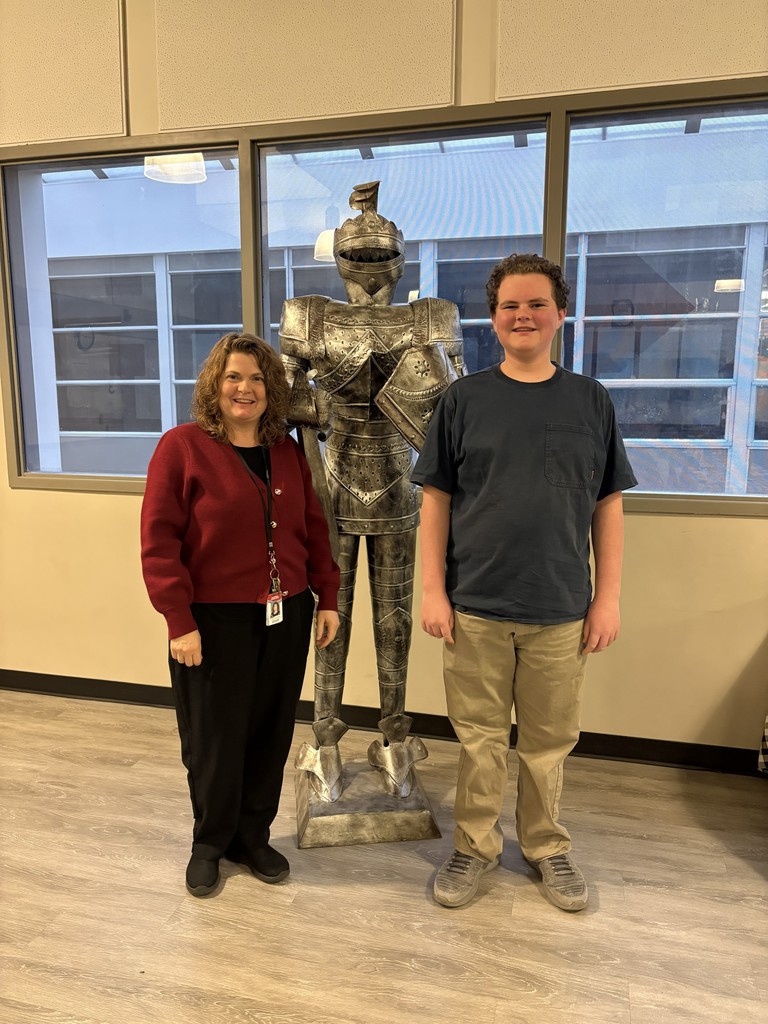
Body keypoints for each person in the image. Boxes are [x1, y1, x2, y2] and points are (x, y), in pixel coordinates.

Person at [412, 254, 637, 911]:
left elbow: (608, 505)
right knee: (480, 741)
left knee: (547, 744)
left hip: (560, 608)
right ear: (493, 319)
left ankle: (545, 847)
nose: (523, 316)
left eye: (537, 304)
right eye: (510, 305)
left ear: (560, 313)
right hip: (475, 606)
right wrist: (432, 590)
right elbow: (435, 501)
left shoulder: (590, 400)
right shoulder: (463, 400)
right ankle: (475, 847)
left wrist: (608, 598)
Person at [280, 181, 463, 801]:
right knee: (333, 616)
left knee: (392, 618)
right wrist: (312, 410)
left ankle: (392, 735)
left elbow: (452, 410)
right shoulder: (308, 314)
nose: (369, 266)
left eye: (378, 254)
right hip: (333, 483)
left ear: (400, 259)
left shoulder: (431, 316)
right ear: (340, 259)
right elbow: (284, 402)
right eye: (359, 255)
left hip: (400, 483)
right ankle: (326, 739)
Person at [141, 332, 339, 897]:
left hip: (286, 614)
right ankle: (210, 843)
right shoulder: (182, 447)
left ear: (271, 389)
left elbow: (313, 529)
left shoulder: (287, 452)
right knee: (214, 737)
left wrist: (327, 596)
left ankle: (252, 836)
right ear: (215, 384)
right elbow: (159, 542)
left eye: (256, 379)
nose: (244, 388)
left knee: (269, 732)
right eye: (233, 377)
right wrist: (178, 621)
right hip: (212, 621)